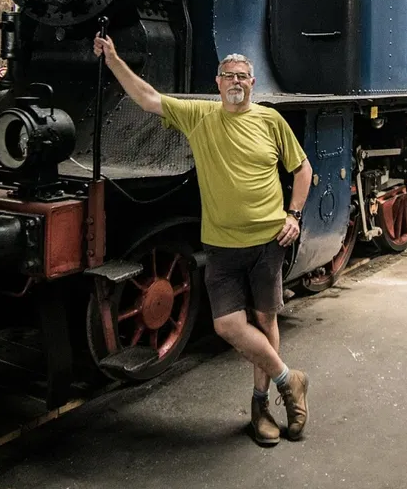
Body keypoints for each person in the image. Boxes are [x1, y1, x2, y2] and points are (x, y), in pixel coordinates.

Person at [94, 34, 312, 447]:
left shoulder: (271, 121)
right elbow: (147, 98)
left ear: (253, 83)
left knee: (266, 321)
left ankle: (261, 406)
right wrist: (114, 59)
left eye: (243, 76)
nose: (236, 81)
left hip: (268, 240)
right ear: (217, 82)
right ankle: (291, 380)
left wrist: (295, 214)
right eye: (228, 75)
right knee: (228, 324)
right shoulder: (200, 117)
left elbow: (301, 169)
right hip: (223, 246)